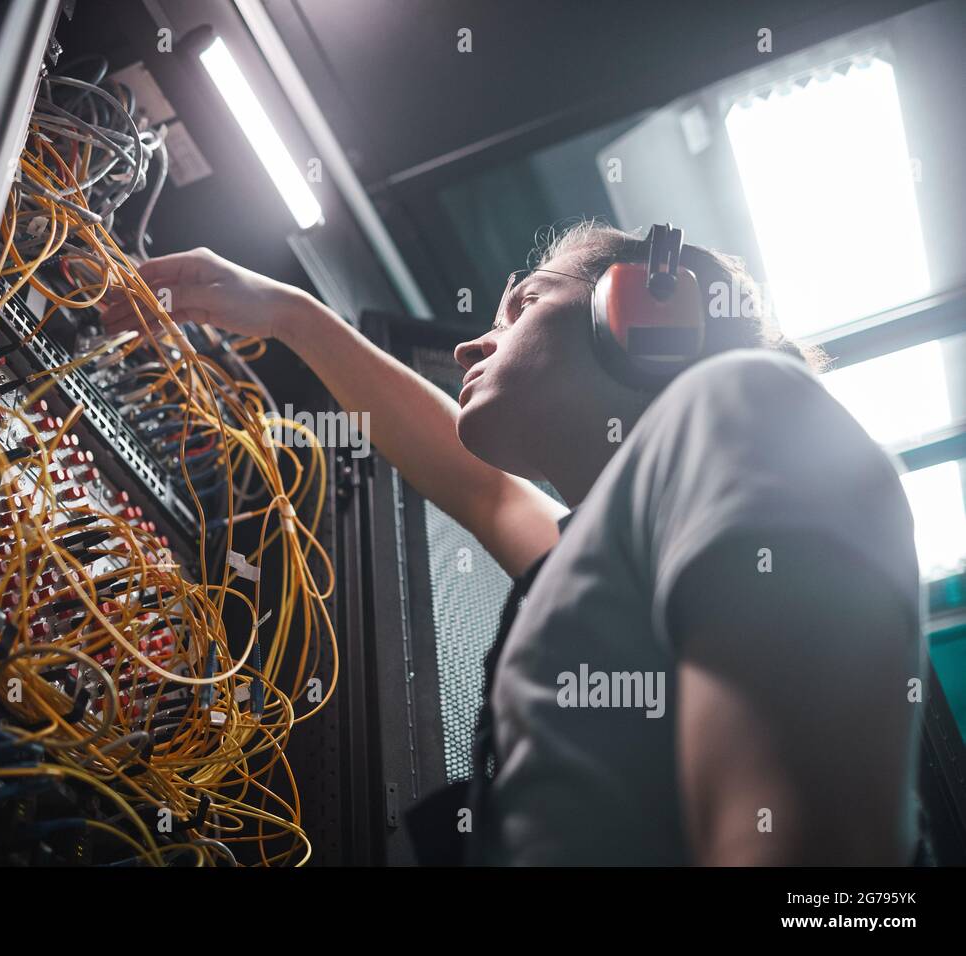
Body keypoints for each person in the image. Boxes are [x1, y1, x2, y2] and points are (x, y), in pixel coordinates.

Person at [99, 220, 923, 866]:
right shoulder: (597, 571)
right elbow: (480, 487)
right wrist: (289, 315)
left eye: (524, 303)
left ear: (645, 311)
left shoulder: (751, 409)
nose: (468, 345)